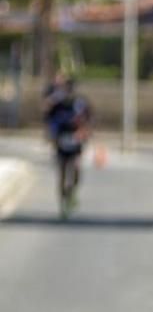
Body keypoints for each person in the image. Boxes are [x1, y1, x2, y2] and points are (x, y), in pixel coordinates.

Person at [43, 76, 92, 218]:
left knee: (76, 170)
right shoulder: (56, 103)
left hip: (75, 140)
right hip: (61, 140)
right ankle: (63, 202)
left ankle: (72, 192)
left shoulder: (80, 103)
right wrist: (51, 137)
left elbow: (88, 120)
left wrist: (83, 133)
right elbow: (49, 119)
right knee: (62, 172)